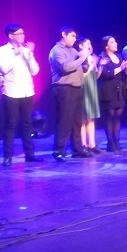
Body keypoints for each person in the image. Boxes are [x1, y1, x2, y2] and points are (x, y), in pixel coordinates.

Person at [0, 23, 42, 165]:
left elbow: (35, 71)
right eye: (20, 33)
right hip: (11, 92)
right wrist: (18, 56)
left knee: (27, 124)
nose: (23, 36)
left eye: (23, 33)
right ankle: (8, 156)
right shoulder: (2, 51)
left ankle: (30, 154)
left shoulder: (26, 51)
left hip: (27, 92)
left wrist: (29, 55)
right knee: (10, 125)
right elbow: (4, 68)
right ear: (11, 36)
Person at [49, 26, 92, 161]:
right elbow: (65, 67)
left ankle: (77, 149)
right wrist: (81, 58)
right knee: (64, 121)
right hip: (64, 88)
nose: (74, 39)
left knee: (77, 121)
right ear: (63, 34)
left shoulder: (73, 50)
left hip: (77, 88)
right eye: (72, 36)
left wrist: (86, 58)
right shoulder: (56, 50)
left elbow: (81, 67)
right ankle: (59, 150)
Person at [97, 36, 127, 152]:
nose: (115, 43)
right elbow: (106, 74)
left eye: (115, 41)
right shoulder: (102, 57)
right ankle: (110, 143)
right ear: (106, 46)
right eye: (112, 42)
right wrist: (121, 68)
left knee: (118, 115)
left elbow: (123, 72)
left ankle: (117, 142)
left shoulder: (119, 56)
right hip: (108, 90)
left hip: (119, 90)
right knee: (110, 115)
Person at [78, 37, 102, 154]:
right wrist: (89, 68)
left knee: (91, 118)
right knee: (83, 118)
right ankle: (83, 145)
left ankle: (92, 144)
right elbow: (80, 76)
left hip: (92, 88)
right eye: (87, 43)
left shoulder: (91, 57)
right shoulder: (79, 57)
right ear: (81, 46)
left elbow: (96, 76)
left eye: (90, 43)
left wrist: (99, 65)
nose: (90, 46)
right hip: (84, 89)